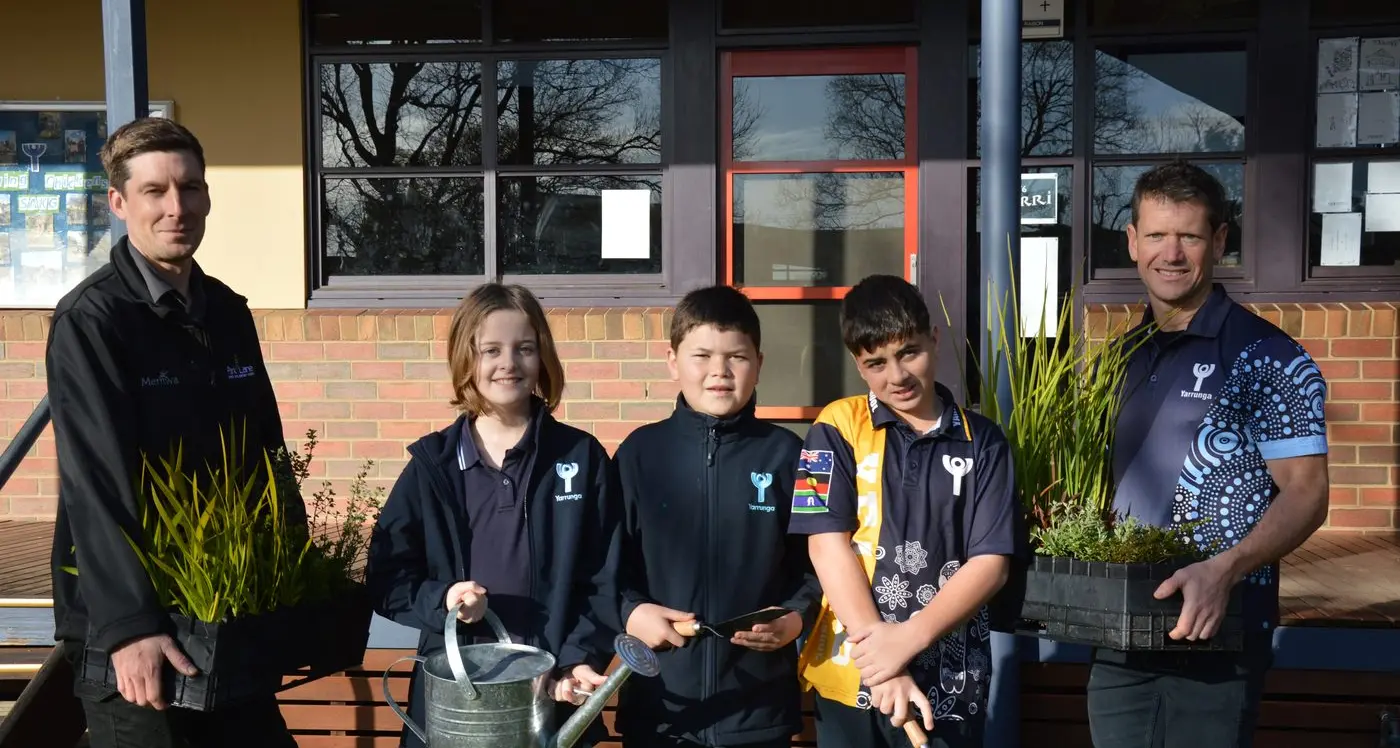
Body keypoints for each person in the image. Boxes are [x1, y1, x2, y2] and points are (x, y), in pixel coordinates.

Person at [46, 118, 297, 746]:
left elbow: (265, 456)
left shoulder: (228, 313)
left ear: (208, 196)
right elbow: (95, 484)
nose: (175, 207)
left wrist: (289, 577)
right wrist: (131, 628)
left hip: (225, 617)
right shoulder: (93, 321)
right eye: (155, 191)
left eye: (189, 188)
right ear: (119, 203)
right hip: (135, 635)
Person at [1090, 161, 1330, 747]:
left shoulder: (1267, 358)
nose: (1170, 253)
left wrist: (1226, 569)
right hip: (1118, 633)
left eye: (1190, 236)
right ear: (1132, 242)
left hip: (1216, 635)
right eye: (1155, 235)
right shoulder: (1117, 360)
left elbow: (1308, 492)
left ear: (1219, 242)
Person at [365, 282, 621, 748]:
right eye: (491, 350)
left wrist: (574, 660)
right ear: (466, 360)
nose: (509, 362)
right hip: (456, 704)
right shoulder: (432, 466)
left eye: (524, 348)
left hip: (550, 695)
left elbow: (604, 578)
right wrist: (443, 599)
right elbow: (387, 578)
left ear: (542, 357)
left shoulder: (581, 459)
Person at [787, 274, 1023, 748]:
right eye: (876, 362)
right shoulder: (832, 426)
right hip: (854, 672)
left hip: (951, 681)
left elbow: (992, 563)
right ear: (858, 363)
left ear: (934, 339)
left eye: (909, 352)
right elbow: (825, 546)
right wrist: (882, 657)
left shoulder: (986, 441)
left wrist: (909, 638)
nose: (896, 376)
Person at [613, 285, 822, 748]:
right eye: (702, 355)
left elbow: (818, 564)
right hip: (661, 708)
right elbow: (606, 566)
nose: (719, 372)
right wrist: (631, 612)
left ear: (759, 363)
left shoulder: (794, 456)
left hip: (758, 710)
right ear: (672, 361)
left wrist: (796, 618)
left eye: (737, 357)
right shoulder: (639, 456)